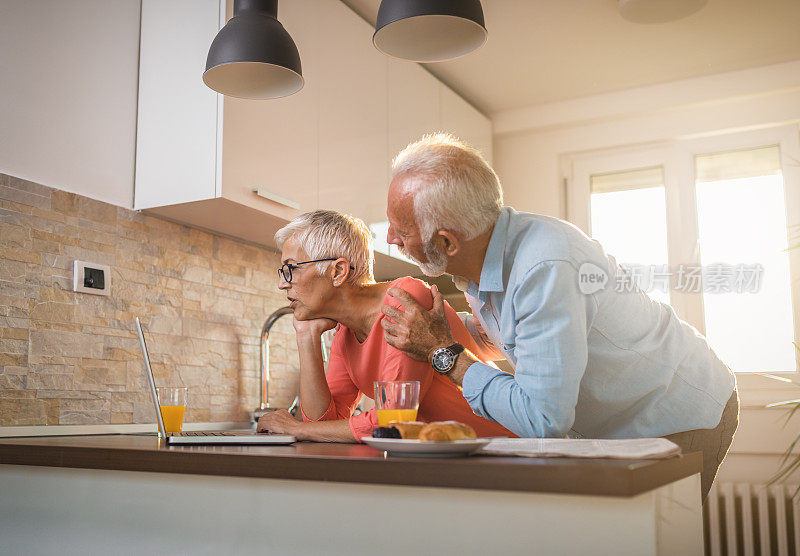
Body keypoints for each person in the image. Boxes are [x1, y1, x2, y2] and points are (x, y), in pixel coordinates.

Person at [378, 133, 738, 501]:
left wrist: (444, 354)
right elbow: (516, 338)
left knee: (655, 541)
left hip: (679, 414)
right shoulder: (485, 258)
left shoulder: (544, 266)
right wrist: (445, 332)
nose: (390, 238)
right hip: (620, 422)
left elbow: (544, 419)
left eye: (401, 230)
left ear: (446, 243)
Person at [256, 209, 515, 443]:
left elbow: (392, 421)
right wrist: (306, 337)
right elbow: (323, 425)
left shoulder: (405, 301)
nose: (282, 283)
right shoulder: (346, 332)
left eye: (290, 269)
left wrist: (296, 429)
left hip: (508, 448)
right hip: (451, 454)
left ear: (337, 272)